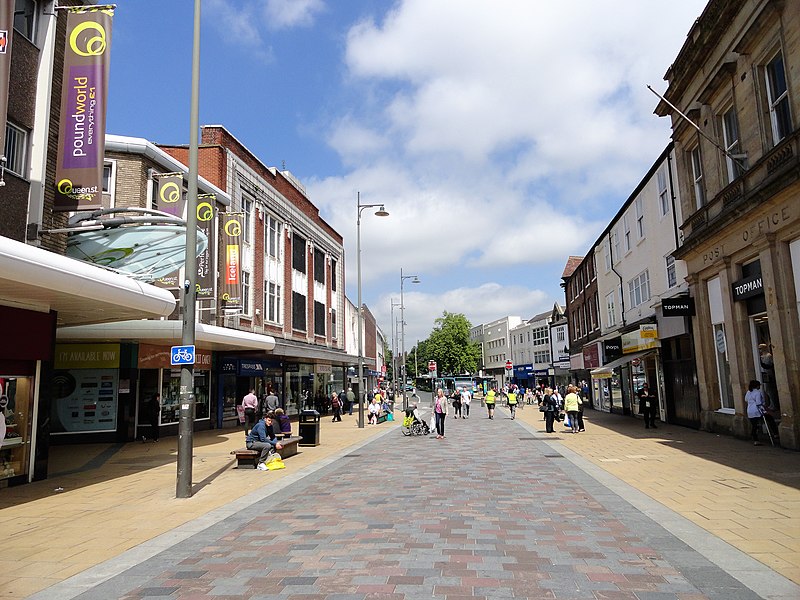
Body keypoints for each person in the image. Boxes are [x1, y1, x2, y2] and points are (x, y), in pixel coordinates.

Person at [745, 380, 768, 446]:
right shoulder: (758, 392)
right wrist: (764, 410)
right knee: (769, 418)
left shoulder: (749, 392)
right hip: (756, 410)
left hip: (749, 410)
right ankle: (775, 433)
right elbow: (758, 403)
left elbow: (746, 399)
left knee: (754, 425)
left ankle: (755, 439)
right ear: (757, 386)